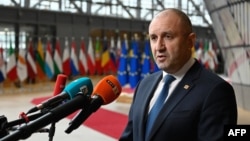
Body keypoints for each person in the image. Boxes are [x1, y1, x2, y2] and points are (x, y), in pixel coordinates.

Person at [119, 8, 237, 141]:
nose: (158, 47)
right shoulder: (144, 85)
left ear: (190, 41)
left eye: (168, 36)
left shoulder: (216, 91)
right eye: (153, 38)